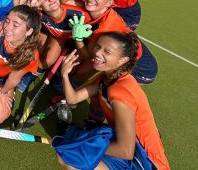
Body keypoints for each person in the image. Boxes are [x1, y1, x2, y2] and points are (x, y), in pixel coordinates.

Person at [56, 32, 170, 170]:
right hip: (132, 148)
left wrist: (84, 143)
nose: (97, 53)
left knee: (69, 157)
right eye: (98, 46)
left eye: (107, 52)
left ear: (123, 60)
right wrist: (64, 74)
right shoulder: (108, 77)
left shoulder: (119, 92)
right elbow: (73, 98)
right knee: (74, 147)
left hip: (145, 161)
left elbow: (125, 151)